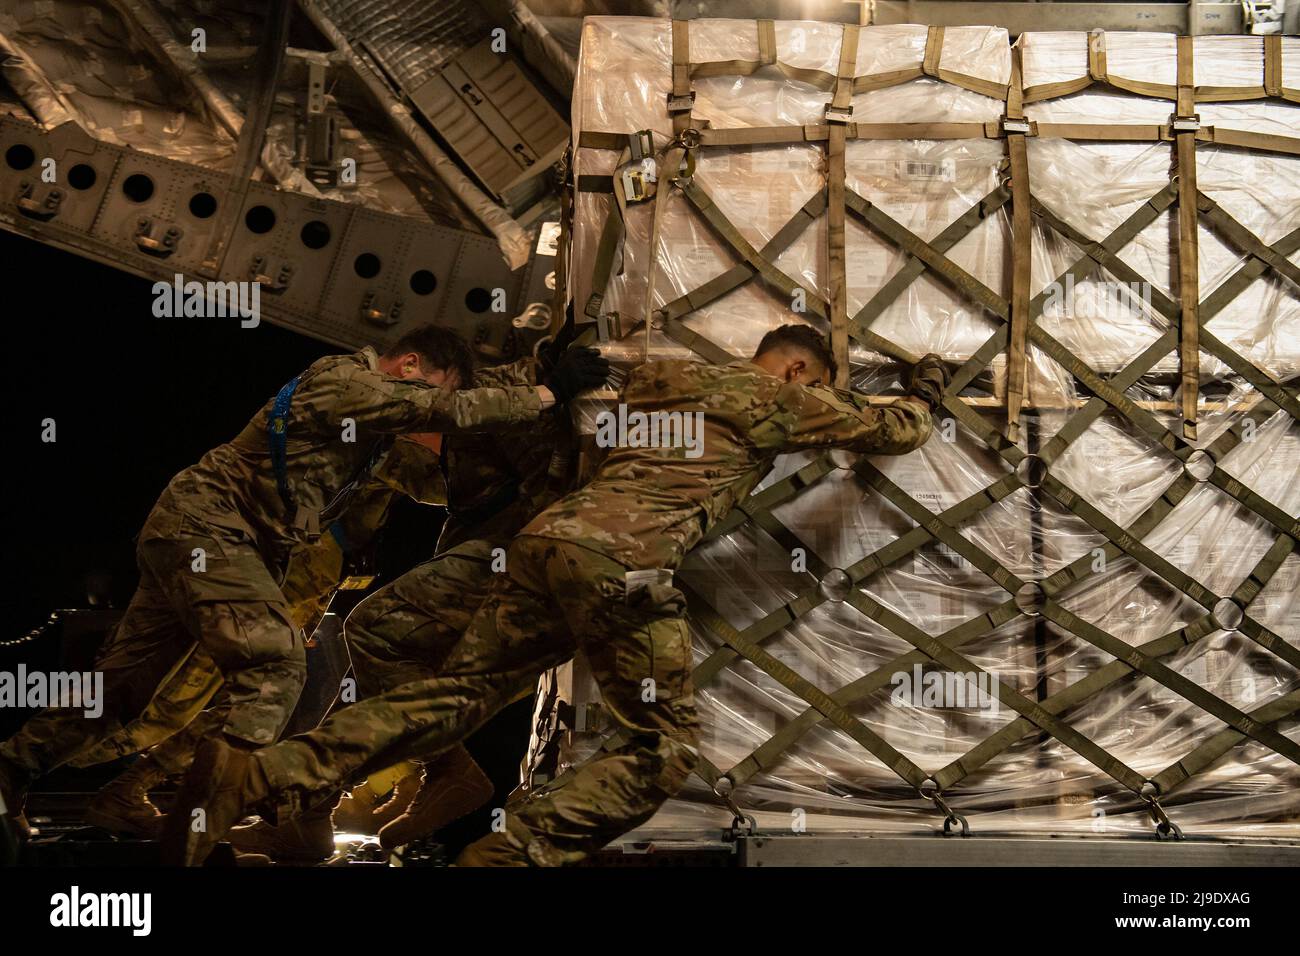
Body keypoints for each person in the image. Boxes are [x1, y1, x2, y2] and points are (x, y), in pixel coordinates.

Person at [165, 326, 946, 866]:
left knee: (458, 694)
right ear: (801, 372)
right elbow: (897, 430)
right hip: (626, 566)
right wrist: (930, 389)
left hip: (544, 547)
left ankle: (260, 774)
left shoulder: (662, 377)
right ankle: (509, 854)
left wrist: (544, 361)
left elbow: (561, 415)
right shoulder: (772, 395)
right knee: (661, 751)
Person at [0, 326, 608, 845]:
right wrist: (548, 392)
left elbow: (445, 473)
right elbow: (443, 410)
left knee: (126, 691)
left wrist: (533, 377)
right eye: (431, 384)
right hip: (209, 530)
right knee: (275, 666)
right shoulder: (342, 383)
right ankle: (199, 828)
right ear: (410, 365)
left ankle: (8, 777)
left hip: (206, 537)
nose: (425, 403)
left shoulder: (365, 434)